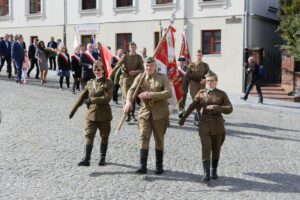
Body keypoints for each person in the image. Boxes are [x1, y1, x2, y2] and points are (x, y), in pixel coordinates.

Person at [179, 71, 233, 182]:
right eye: (207, 80)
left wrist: (216, 107)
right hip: (204, 125)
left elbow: (229, 108)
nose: (209, 83)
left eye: (211, 81)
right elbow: (192, 106)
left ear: (216, 82)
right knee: (206, 148)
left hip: (218, 126)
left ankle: (214, 171)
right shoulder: (201, 93)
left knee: (216, 149)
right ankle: (206, 173)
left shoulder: (222, 94)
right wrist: (184, 118)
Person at [124, 56, 172, 174]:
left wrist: (151, 95)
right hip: (145, 113)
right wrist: (128, 101)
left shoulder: (162, 77)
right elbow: (131, 89)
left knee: (159, 139)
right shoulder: (140, 77)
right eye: (146, 66)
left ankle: (159, 166)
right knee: (143, 137)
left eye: (150, 66)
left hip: (160, 113)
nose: (148, 68)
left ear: (155, 66)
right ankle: (142, 166)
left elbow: (168, 93)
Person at [69, 60, 114, 167]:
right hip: (91, 114)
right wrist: (73, 110)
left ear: (103, 70)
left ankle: (102, 157)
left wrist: (92, 100)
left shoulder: (108, 83)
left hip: (104, 115)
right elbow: (81, 98)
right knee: (89, 135)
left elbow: (107, 98)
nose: (96, 72)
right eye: (95, 70)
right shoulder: (90, 83)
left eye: (99, 69)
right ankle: (86, 159)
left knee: (104, 136)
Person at [110, 42, 144, 122]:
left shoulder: (139, 57)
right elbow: (118, 65)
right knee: (126, 97)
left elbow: (143, 69)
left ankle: (132, 114)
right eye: (131, 47)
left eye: (134, 47)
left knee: (133, 97)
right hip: (125, 79)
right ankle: (127, 115)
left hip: (135, 79)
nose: (132, 48)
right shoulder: (125, 56)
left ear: (136, 48)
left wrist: (135, 72)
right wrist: (111, 74)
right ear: (129, 48)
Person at [182, 50, 210, 126]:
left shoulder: (205, 65)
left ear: (202, 56)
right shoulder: (191, 65)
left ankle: (197, 117)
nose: (199, 57)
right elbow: (188, 76)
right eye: (198, 55)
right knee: (196, 100)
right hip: (193, 86)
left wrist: (206, 79)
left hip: (202, 86)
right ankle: (198, 116)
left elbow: (209, 74)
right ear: (195, 56)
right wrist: (184, 87)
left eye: (200, 55)